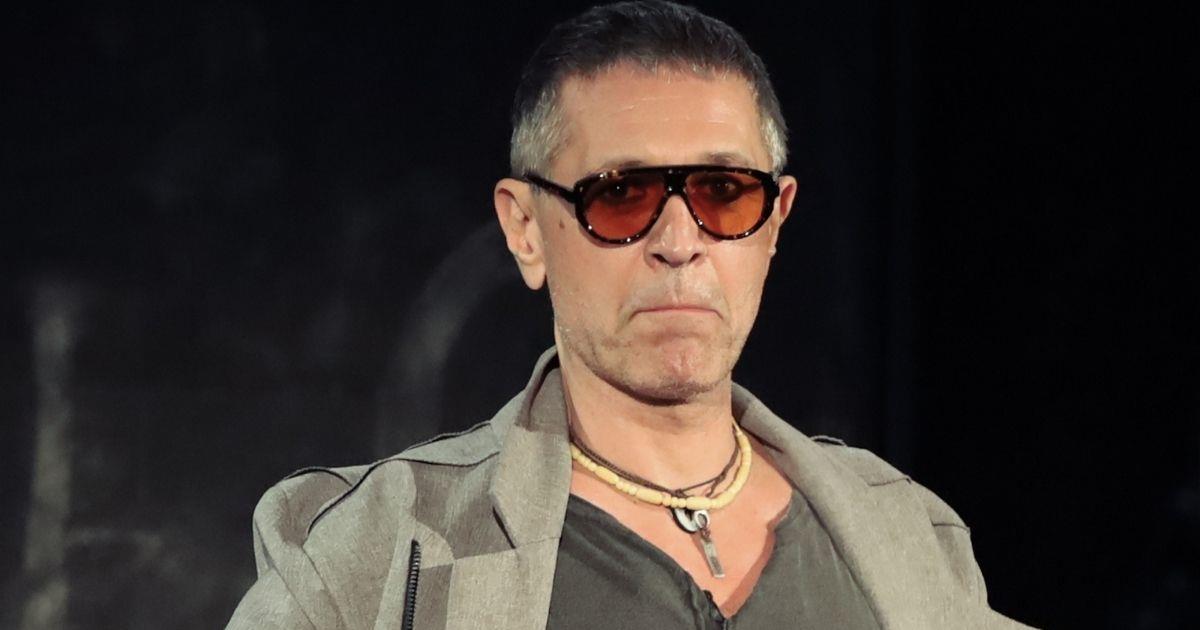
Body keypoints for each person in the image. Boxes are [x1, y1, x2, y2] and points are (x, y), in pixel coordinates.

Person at [227, 2, 1031, 628]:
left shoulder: (910, 539)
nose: (678, 243)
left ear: (775, 222)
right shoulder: (368, 556)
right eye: (620, 195)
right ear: (525, 230)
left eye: (725, 193)